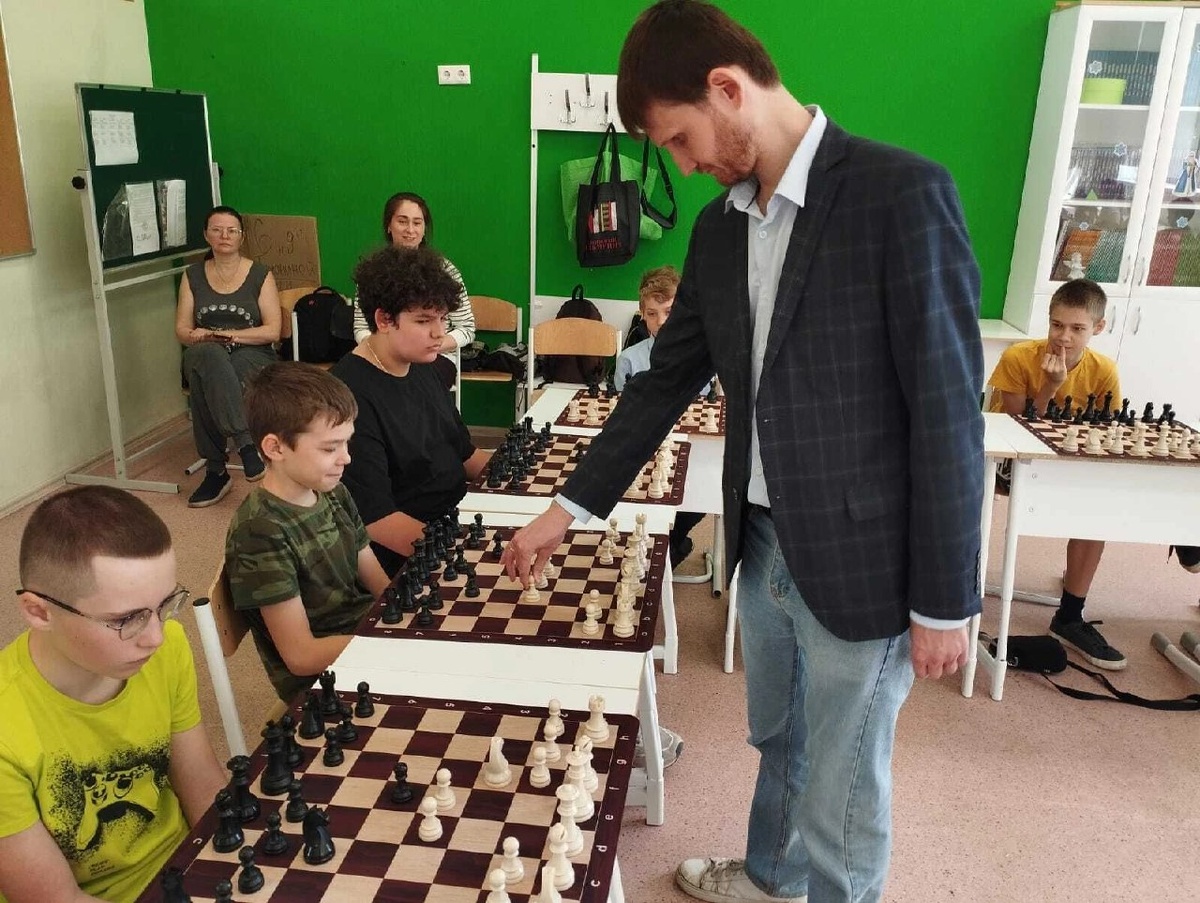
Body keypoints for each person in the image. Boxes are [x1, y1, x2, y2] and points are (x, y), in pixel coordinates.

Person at [502, 3, 984, 902]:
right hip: (759, 541)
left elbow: (949, 410)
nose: (684, 167)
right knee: (779, 740)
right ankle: (771, 878)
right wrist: (564, 509)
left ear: (727, 88)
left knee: (843, 787)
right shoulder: (719, 229)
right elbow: (661, 385)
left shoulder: (901, 194)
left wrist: (947, 597)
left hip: (865, 557)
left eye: (681, 140)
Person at [0, 486, 226, 903]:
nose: (156, 637)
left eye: (165, 605)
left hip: (183, 870)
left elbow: (201, 783)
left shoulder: (167, 648)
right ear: (38, 611)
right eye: (126, 619)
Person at [225, 362, 392, 703]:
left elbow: (379, 584)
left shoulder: (334, 492)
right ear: (275, 448)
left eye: (347, 444)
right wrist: (392, 644)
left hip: (367, 637)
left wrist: (410, 623)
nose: (346, 458)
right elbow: (301, 656)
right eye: (330, 448)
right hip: (324, 681)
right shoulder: (260, 532)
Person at [987, 278, 1126, 669]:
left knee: (1100, 506)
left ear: (1098, 327)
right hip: (1010, 461)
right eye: (1057, 325)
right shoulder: (1019, 357)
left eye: (1077, 328)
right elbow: (1016, 429)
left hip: (1068, 463)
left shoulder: (1104, 370)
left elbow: (1107, 431)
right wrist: (1050, 386)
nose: (1064, 337)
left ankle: (1069, 616)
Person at [333, 244, 492, 577]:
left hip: (457, 521)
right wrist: (466, 554)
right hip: (411, 555)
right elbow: (377, 521)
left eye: (443, 319)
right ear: (384, 319)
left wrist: (540, 488)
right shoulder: (346, 397)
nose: (440, 333)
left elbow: (465, 455)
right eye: (423, 320)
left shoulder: (423, 365)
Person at [176, 205, 281, 508]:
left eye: (231, 230)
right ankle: (246, 445)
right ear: (206, 235)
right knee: (209, 358)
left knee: (209, 377)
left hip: (251, 352)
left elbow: (272, 331)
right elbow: (182, 329)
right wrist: (198, 336)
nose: (224, 235)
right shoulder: (192, 275)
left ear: (241, 237)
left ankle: (216, 471)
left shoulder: (260, 274)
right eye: (217, 230)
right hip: (205, 351)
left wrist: (229, 336)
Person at [615, 265, 707, 567]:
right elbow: (621, 415)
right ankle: (664, 548)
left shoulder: (704, 357)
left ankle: (674, 542)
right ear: (642, 315)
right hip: (644, 453)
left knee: (701, 498)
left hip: (691, 450)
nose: (661, 321)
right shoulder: (629, 360)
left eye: (669, 311)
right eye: (652, 313)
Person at [351, 192, 475, 389]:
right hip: (382, 355)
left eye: (417, 223)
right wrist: (388, 351)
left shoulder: (445, 270)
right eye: (402, 221)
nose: (410, 230)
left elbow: (466, 329)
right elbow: (361, 328)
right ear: (388, 226)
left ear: (424, 229)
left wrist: (426, 346)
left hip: (435, 356)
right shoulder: (373, 271)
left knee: (412, 383)